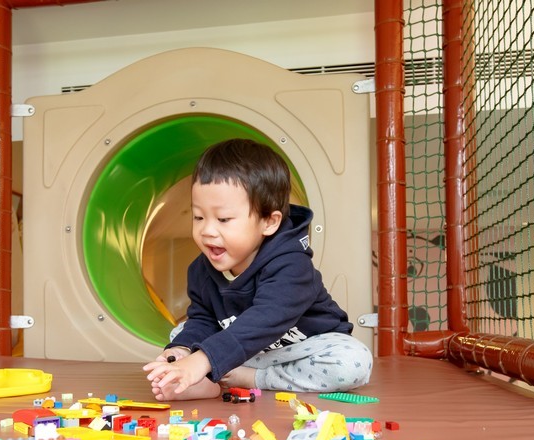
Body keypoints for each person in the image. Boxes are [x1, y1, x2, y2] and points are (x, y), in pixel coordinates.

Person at [143, 138, 372, 401]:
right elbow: (203, 319)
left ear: (269, 222)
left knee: (353, 361)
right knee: (180, 334)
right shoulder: (202, 270)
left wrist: (204, 359)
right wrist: (180, 353)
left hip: (302, 351)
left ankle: (249, 378)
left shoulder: (290, 264)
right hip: (244, 352)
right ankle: (206, 382)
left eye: (224, 219)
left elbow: (267, 317)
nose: (206, 230)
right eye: (198, 217)